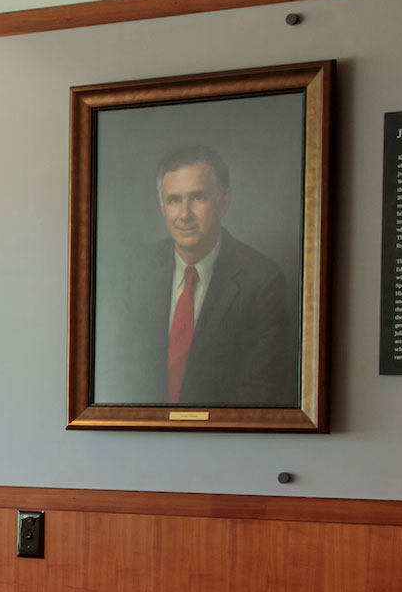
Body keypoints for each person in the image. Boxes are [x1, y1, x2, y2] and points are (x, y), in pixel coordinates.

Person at [109, 144, 299, 407]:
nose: (184, 214)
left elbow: (261, 390)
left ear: (224, 202)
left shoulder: (262, 281)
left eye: (198, 198)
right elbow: (117, 376)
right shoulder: (137, 273)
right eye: (174, 200)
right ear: (162, 207)